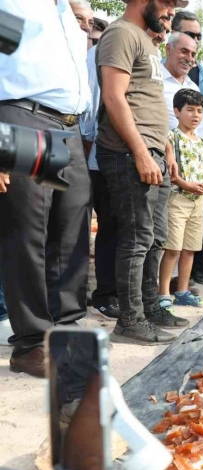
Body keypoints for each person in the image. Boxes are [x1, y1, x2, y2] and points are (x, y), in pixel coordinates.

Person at [0, 0, 92, 376]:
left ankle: (65, 331)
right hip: (25, 116)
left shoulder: (68, 13)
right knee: (29, 234)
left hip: (66, 126)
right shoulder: (16, 3)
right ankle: (32, 343)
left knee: (71, 234)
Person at [96, 0, 189, 345]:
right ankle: (130, 319)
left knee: (156, 237)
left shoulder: (147, 40)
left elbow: (150, 103)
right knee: (136, 239)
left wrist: (165, 150)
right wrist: (140, 152)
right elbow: (115, 98)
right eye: (167, 2)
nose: (170, 11)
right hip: (128, 153)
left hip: (154, 152)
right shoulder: (120, 33)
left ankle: (150, 308)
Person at [171, 11, 203, 285]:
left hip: (202, 158)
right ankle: (168, 280)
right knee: (172, 224)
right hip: (172, 162)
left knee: (201, 216)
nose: (195, 42)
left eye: (198, 36)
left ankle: (197, 267)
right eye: (189, 34)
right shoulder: (160, 71)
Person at [158, 89, 203, 307]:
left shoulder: (201, 141)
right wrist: (185, 184)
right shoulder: (171, 137)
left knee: (190, 248)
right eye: (190, 110)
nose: (195, 115)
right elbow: (172, 173)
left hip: (198, 202)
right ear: (177, 111)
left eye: (199, 111)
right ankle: (163, 294)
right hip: (178, 198)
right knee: (173, 248)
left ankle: (182, 291)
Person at [162, 33, 203, 136]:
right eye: (184, 51)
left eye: (193, 55)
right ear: (168, 49)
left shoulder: (194, 88)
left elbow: (200, 131)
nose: (189, 59)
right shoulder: (153, 80)